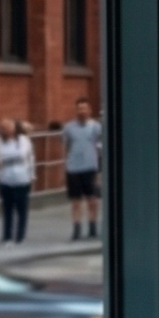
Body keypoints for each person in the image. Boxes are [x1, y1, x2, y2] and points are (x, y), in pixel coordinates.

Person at [63, 96, 102, 242]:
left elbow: (100, 148)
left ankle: (92, 227)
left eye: (84, 108)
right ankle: (76, 229)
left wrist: (99, 170)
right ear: (76, 110)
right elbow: (66, 147)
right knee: (76, 201)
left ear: (89, 110)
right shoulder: (69, 128)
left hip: (90, 167)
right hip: (73, 169)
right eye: (79, 109)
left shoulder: (96, 127)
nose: (82, 111)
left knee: (92, 200)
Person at [0, 119, 35, 245]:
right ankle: (7, 236)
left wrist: (32, 175)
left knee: (21, 209)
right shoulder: (0, 143)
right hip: (5, 180)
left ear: (13, 129)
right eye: (3, 128)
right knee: (7, 210)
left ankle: (20, 236)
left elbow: (29, 157)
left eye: (7, 127)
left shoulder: (24, 141)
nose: (5, 130)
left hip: (22, 179)